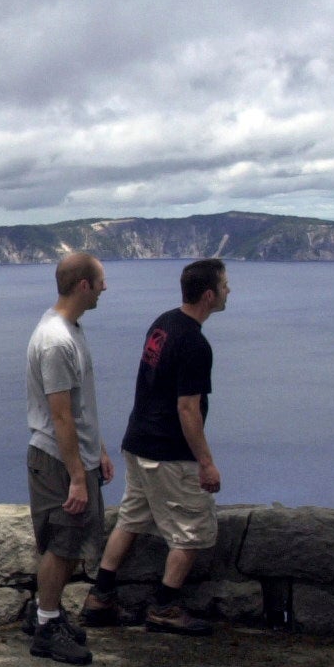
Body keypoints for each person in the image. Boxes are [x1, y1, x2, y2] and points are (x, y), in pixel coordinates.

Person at [85, 258, 230, 636]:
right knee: (192, 530)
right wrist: (206, 463)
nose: (230, 291)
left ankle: (100, 597)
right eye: (226, 286)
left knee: (132, 517)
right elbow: (188, 408)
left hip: (138, 443)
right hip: (168, 453)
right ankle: (164, 608)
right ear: (210, 294)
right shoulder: (195, 344)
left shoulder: (162, 323)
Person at [24, 251, 114, 665]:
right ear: (83, 285)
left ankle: (50, 614)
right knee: (62, 544)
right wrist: (77, 477)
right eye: (100, 281)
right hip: (59, 462)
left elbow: (79, 407)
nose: (105, 288)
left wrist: (101, 452)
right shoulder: (57, 341)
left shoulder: (68, 328)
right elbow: (59, 414)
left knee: (72, 541)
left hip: (75, 457)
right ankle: (45, 627)